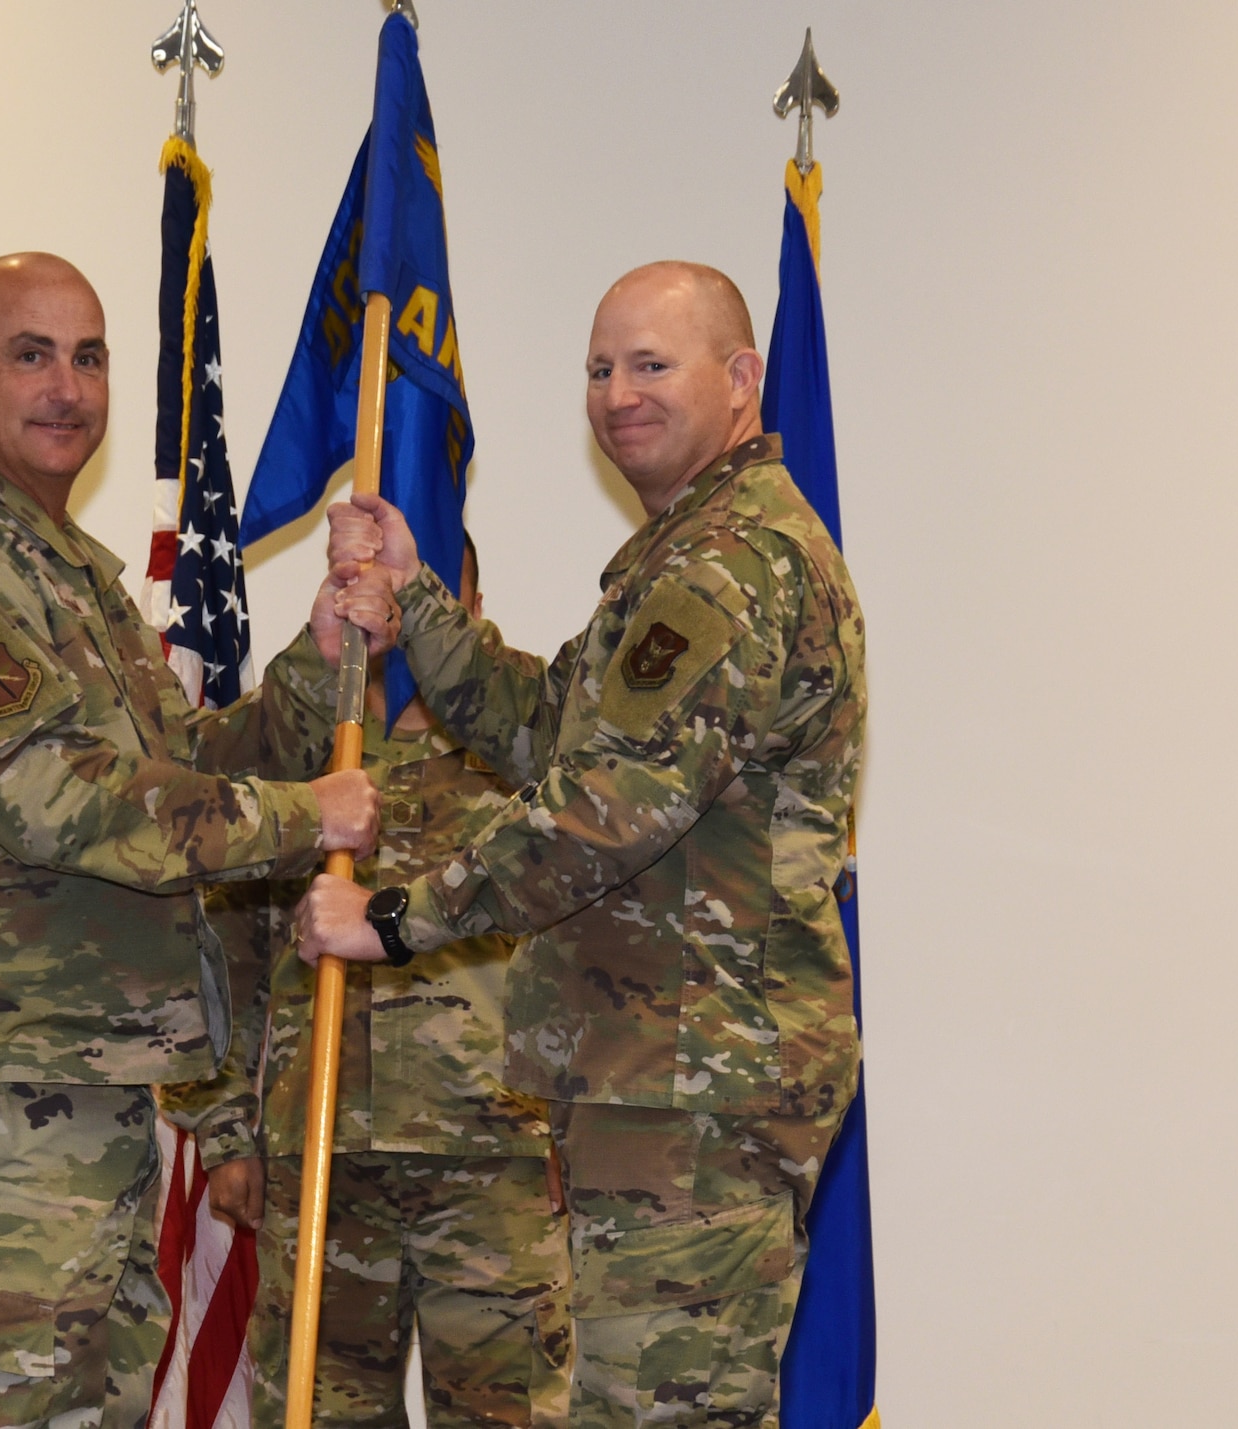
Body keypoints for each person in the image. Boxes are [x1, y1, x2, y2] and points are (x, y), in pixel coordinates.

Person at [0, 252, 398, 1429]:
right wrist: (308, 817)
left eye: (88, 356)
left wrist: (315, 656)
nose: (66, 387)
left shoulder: (75, 575)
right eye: (29, 354)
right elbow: (53, 795)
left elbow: (187, 768)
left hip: (94, 1106)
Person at [300, 261, 866, 1428]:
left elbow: (597, 808)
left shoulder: (730, 564)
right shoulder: (681, 554)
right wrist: (420, 606)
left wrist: (394, 921)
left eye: (651, 364)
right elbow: (547, 729)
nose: (617, 395)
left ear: (742, 379)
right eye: (599, 369)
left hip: (697, 1089)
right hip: (659, 1079)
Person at [160, 536, 572, 1428]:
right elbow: (224, 933)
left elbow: (589, 949)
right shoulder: (303, 762)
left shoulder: (529, 760)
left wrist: (582, 1128)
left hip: (493, 1159)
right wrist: (226, 1124)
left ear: (463, 603)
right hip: (321, 1160)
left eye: (410, 589)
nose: (382, 606)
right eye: (363, 583)